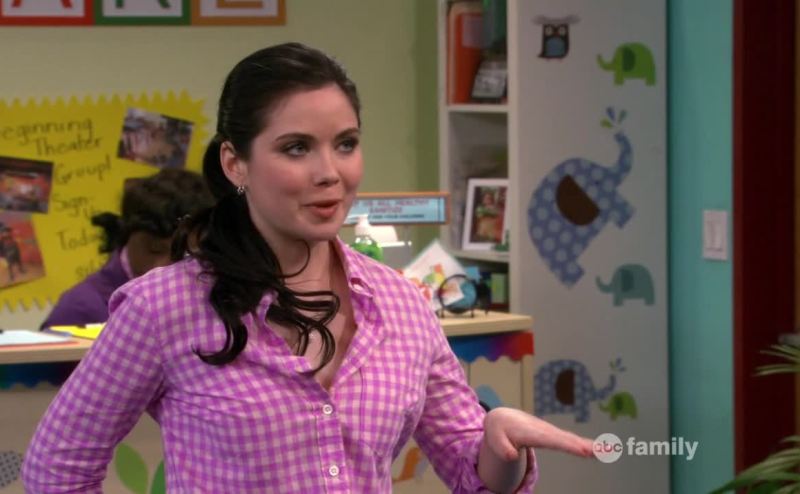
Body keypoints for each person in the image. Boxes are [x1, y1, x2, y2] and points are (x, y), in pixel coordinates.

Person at [22, 42, 594, 493]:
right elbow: (57, 469)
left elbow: (474, 474)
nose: (330, 173)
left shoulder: (400, 304)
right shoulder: (163, 307)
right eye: (296, 148)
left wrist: (496, 443)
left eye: (345, 144)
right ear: (235, 162)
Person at [39, 168, 214, 328]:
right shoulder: (80, 309)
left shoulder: (209, 302)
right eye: (154, 249)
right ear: (126, 234)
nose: (162, 268)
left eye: (183, 256)